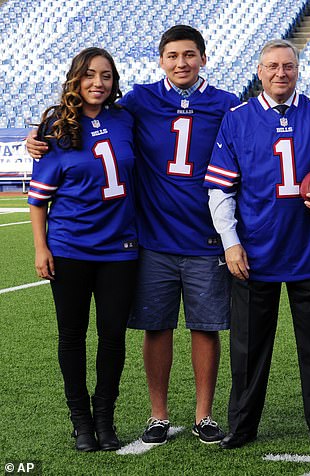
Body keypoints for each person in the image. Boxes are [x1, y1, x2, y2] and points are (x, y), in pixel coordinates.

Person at [27, 25, 241, 446]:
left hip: (202, 238)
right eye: (173, 56)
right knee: (154, 327)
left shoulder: (225, 103)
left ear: (203, 58)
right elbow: (73, 126)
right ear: (160, 60)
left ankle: (203, 415)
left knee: (204, 327)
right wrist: (38, 138)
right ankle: (154, 416)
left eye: (189, 55)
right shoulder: (139, 100)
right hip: (150, 238)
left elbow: (263, 123)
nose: (181, 63)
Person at [205, 39, 310, 449]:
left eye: (288, 66)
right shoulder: (236, 119)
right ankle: (242, 425)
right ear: (259, 72)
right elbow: (221, 190)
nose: (280, 73)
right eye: (272, 66)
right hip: (256, 251)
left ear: (297, 70)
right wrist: (230, 242)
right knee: (249, 348)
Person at [27, 48, 138, 452]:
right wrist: (41, 249)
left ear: (114, 82)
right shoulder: (57, 125)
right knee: (71, 334)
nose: (98, 83)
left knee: (112, 336)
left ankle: (105, 419)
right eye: (90, 75)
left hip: (120, 248)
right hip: (70, 246)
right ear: (76, 78)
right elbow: (38, 200)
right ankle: (81, 423)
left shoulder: (127, 117)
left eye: (106, 76)